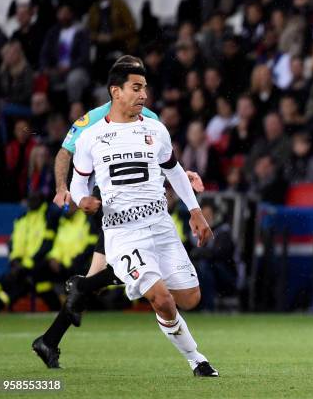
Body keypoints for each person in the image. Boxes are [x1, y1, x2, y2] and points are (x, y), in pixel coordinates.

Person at [32, 56, 204, 369]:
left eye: (143, 86)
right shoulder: (92, 121)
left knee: (92, 281)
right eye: (135, 86)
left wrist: (184, 175)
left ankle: (49, 339)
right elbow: (64, 152)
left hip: (145, 212)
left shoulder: (145, 114)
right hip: (110, 208)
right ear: (116, 90)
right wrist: (62, 188)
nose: (142, 93)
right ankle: (59, 324)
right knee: (102, 277)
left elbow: (161, 157)